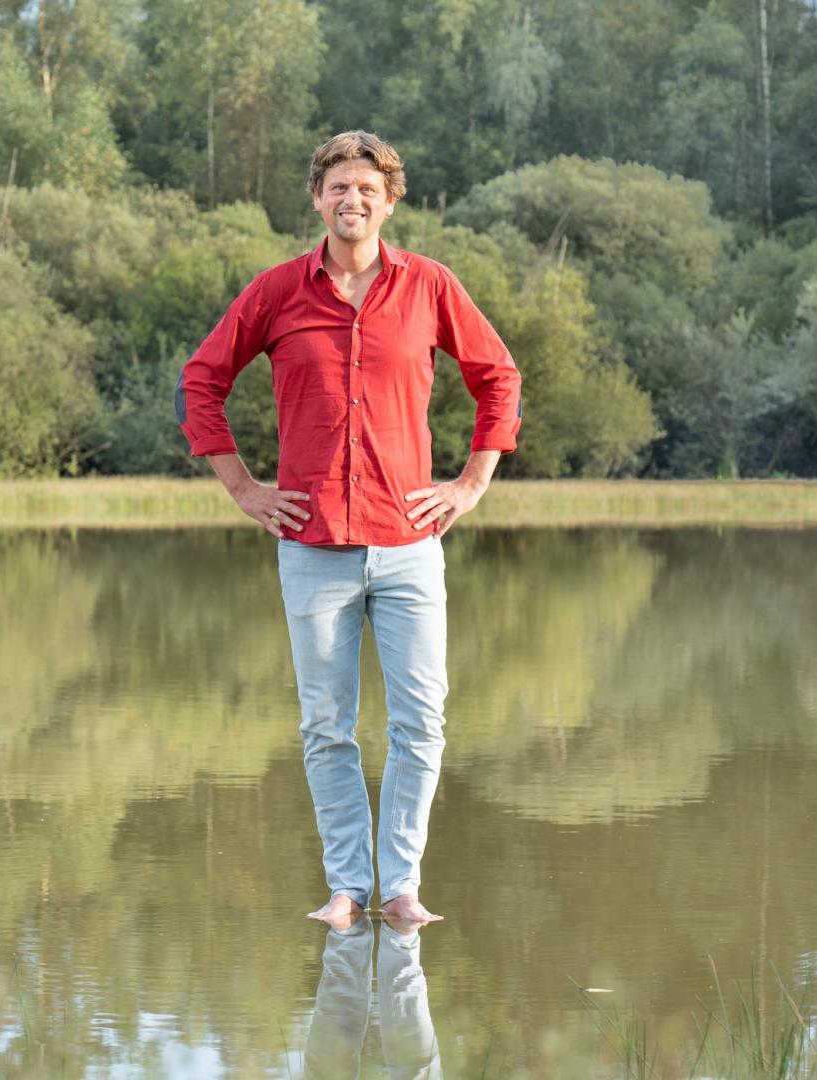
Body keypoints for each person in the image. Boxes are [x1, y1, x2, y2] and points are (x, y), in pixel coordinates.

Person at [176, 130, 522, 926]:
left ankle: (400, 887)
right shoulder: (276, 293)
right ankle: (346, 889)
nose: (352, 199)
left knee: (421, 722)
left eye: (367, 188)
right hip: (312, 548)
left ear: (389, 200)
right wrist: (243, 488)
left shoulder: (430, 287)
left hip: (409, 546)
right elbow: (202, 380)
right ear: (317, 198)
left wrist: (472, 483)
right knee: (327, 726)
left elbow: (498, 377)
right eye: (338, 186)